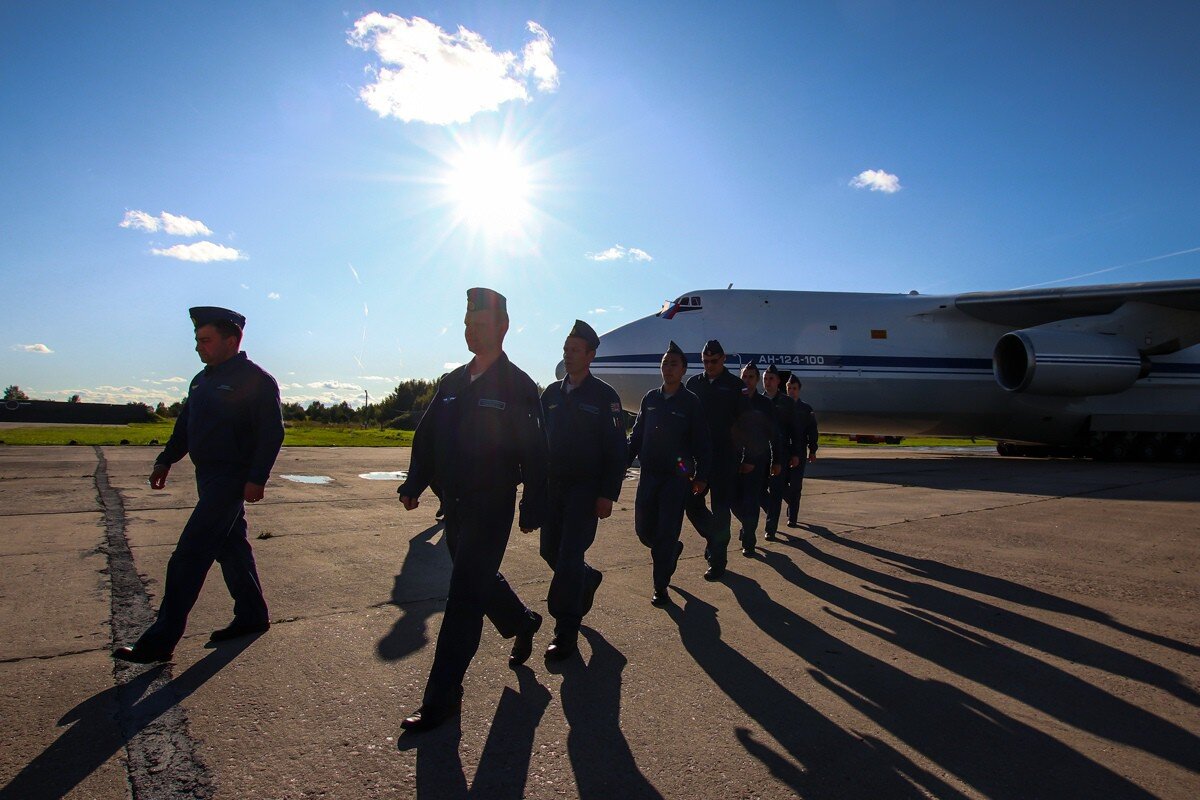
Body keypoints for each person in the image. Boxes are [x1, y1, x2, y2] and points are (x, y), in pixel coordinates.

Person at [396, 288, 547, 733]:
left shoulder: (518, 386)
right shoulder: (452, 382)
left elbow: (537, 452)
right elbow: (426, 439)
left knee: (462, 598)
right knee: (477, 580)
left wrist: (532, 505)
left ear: (502, 328)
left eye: (479, 325)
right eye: (466, 324)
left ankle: (442, 698)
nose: (470, 331)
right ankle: (523, 621)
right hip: (455, 506)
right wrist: (414, 482)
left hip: (492, 505)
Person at [113, 306, 283, 664]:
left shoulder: (255, 380)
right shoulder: (201, 380)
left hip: (232, 478)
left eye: (205, 340)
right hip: (207, 476)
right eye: (197, 340)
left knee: (189, 555)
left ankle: (160, 641)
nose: (198, 347)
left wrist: (256, 478)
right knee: (231, 546)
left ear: (232, 340)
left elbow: (272, 432)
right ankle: (252, 614)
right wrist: (166, 459)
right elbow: (186, 425)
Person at [538, 320, 628, 660]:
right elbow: (537, 442)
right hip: (553, 490)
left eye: (575, 350)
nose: (568, 354)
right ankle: (586, 579)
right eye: (566, 348)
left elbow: (617, 450)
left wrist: (608, 493)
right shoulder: (550, 394)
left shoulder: (605, 397)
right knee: (550, 552)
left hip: (586, 491)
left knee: (568, 557)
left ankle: (565, 631)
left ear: (590, 355)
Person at [628, 341, 711, 606]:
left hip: (677, 478)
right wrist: (621, 462)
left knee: (666, 531)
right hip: (650, 474)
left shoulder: (690, 402)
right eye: (664, 364)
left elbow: (702, 441)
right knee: (644, 531)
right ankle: (671, 551)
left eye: (673, 364)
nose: (668, 368)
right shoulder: (650, 398)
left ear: (684, 370)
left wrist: (701, 476)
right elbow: (637, 435)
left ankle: (660, 586)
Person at [684, 340, 750, 580]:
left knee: (721, 509)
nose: (709, 365)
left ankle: (718, 560)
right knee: (691, 504)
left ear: (723, 359)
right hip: (698, 458)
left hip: (725, 458)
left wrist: (747, 457)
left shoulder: (735, 386)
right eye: (705, 361)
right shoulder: (693, 384)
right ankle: (713, 537)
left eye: (713, 361)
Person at [732, 362, 781, 556]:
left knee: (752, 499)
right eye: (744, 376)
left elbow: (774, 434)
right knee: (732, 499)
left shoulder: (765, 404)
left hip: (758, 459)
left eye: (751, 377)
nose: (747, 380)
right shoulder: (734, 400)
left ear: (757, 380)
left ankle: (749, 539)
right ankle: (747, 524)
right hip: (735, 458)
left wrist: (777, 460)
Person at [760, 364, 798, 540]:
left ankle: (770, 528)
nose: (768, 382)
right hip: (760, 453)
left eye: (771, 379)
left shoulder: (787, 402)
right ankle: (774, 512)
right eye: (765, 379)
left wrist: (796, 453)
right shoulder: (757, 401)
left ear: (778, 381)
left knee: (776, 490)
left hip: (781, 453)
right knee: (759, 490)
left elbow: (795, 430)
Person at [785, 374, 819, 527]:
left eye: (794, 388)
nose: (791, 391)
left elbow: (812, 431)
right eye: (789, 388)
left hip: (799, 451)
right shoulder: (780, 406)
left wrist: (812, 450)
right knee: (780, 484)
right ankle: (792, 503)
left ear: (799, 390)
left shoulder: (806, 409)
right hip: (783, 451)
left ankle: (792, 517)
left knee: (796, 485)